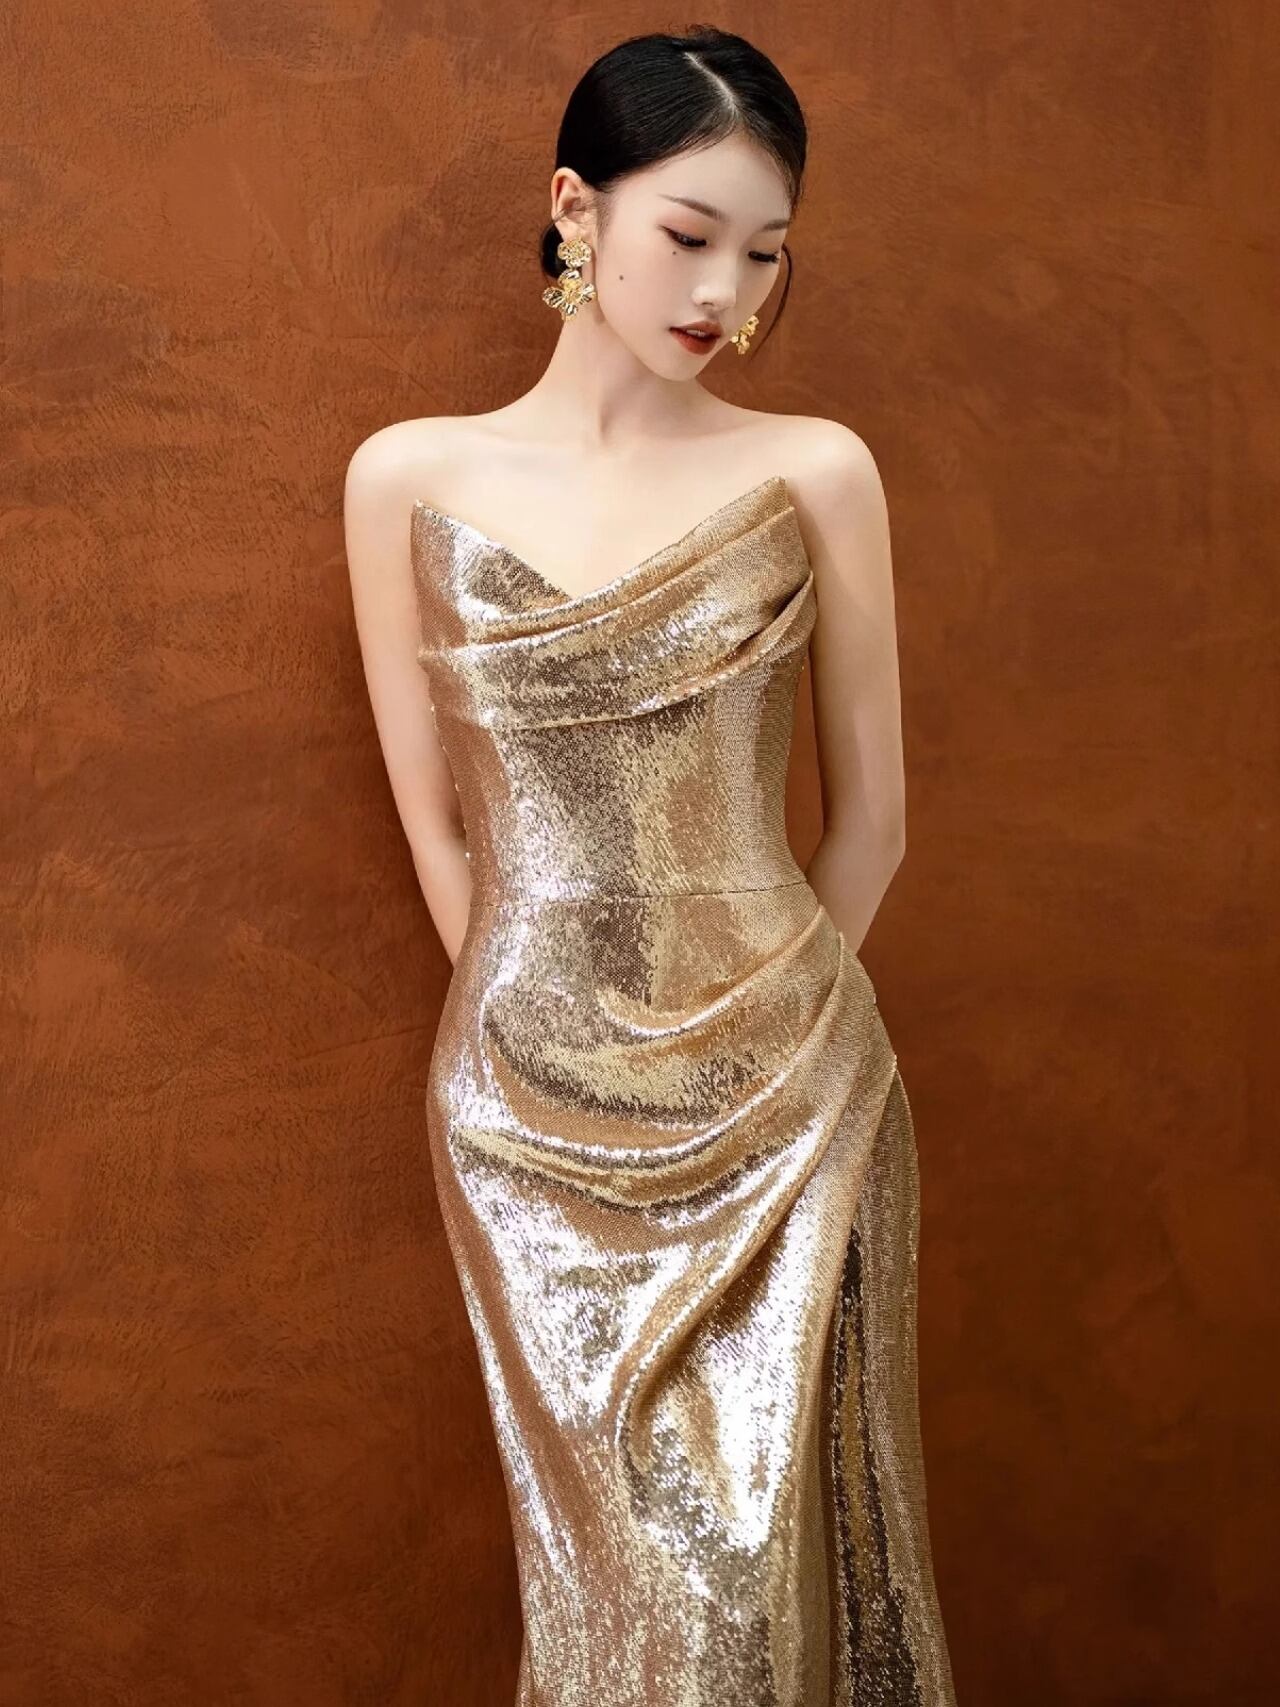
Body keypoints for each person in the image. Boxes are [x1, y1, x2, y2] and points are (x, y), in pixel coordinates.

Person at [343, 25, 957, 1706]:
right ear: (576, 209)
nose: (722, 293)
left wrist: (772, 1047)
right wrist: (534, 1047)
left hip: (790, 1104)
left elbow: (875, 822)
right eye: (689, 235)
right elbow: (440, 830)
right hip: (526, 1126)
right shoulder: (406, 478)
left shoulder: (814, 469)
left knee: (756, 1598)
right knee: (625, 1609)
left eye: (763, 253)